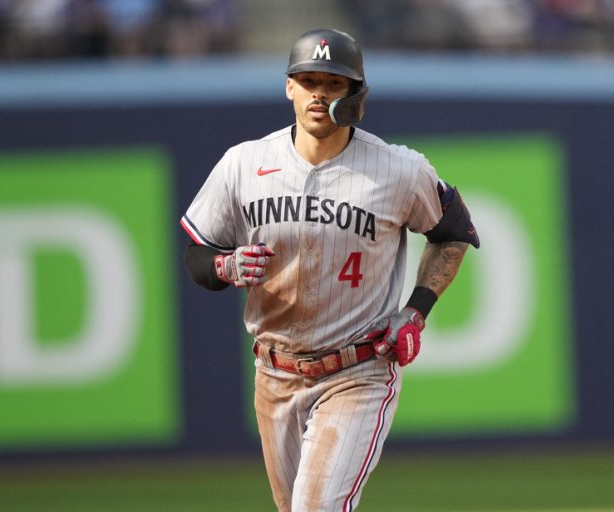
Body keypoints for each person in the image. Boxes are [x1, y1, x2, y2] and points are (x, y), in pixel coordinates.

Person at [180, 28, 479, 512]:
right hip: (273, 373)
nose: (319, 92)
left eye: (334, 82)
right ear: (289, 87)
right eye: (308, 78)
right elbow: (198, 254)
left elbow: (454, 231)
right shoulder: (244, 163)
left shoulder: (398, 169)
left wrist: (417, 311)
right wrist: (225, 265)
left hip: (357, 370)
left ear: (356, 93)